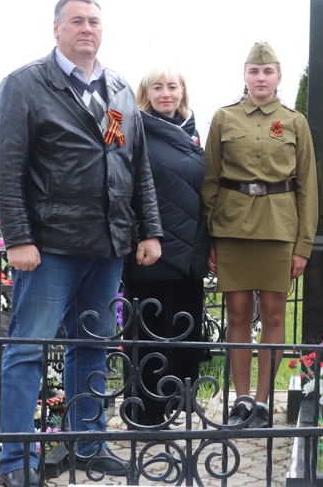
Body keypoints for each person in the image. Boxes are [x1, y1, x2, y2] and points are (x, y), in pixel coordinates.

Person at [0, 0, 163, 487]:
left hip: (107, 247)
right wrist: (18, 237)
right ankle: (14, 462)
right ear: (56, 29)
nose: (87, 28)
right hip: (49, 248)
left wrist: (148, 229)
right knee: (27, 349)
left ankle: (89, 446)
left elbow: (138, 168)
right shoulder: (25, 85)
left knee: (93, 344)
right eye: (77, 21)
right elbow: (4, 171)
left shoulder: (121, 90)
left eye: (94, 21)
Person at [201, 42, 318, 428]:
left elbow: (307, 188)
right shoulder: (224, 118)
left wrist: (302, 245)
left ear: (279, 77)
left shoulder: (294, 122)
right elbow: (211, 180)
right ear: (245, 76)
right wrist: (208, 239)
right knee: (236, 314)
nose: (261, 78)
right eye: (254, 71)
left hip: (277, 229)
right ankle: (242, 402)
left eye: (268, 72)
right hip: (232, 227)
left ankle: (265, 404)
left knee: (272, 313)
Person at [122, 66, 210, 427]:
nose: (165, 93)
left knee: (181, 335)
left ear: (182, 92)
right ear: (146, 94)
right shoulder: (137, 130)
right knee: (150, 338)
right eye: (156, 87)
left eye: (172, 86)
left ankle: (175, 404)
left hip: (188, 255)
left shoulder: (191, 134)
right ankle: (145, 412)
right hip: (151, 252)